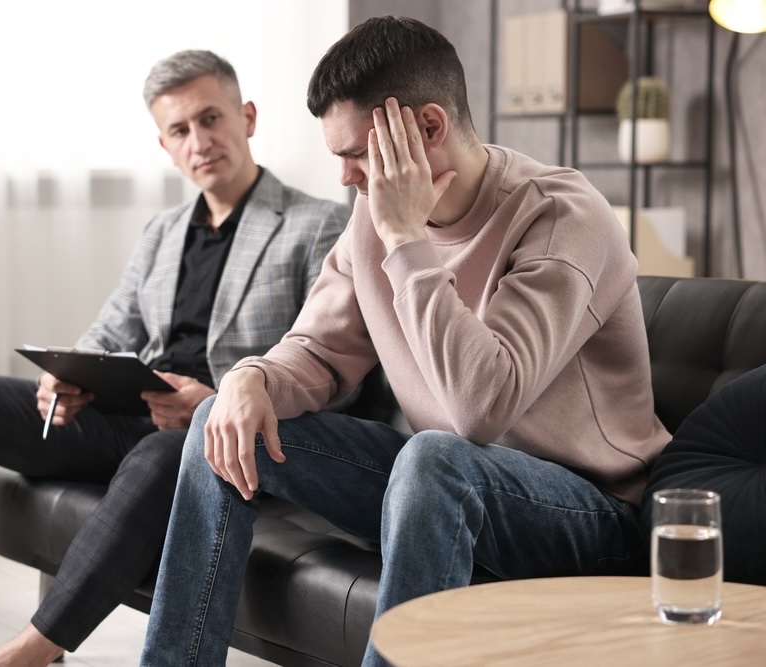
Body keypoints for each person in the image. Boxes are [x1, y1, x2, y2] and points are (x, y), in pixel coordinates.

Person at [139, 16, 671, 667]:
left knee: (435, 456)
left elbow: (482, 407)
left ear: (426, 128)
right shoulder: (373, 216)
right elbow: (319, 349)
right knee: (221, 419)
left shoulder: (561, 214)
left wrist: (405, 240)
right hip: (443, 483)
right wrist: (251, 378)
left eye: (357, 153)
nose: (344, 178)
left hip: (588, 512)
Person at [0, 49, 350, 667]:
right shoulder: (162, 231)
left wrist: (210, 400)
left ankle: (23, 656)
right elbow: (108, 329)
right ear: (165, 144)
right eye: (180, 130)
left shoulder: (316, 225)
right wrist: (65, 375)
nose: (200, 141)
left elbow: (326, 364)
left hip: (213, 437)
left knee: (170, 448)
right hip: (122, 418)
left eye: (212, 119)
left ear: (248, 117)